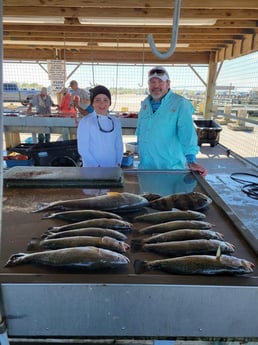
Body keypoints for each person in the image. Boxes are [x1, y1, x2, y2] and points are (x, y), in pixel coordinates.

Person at [136, 66, 207, 177]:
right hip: (145, 168)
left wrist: (191, 161)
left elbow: (187, 133)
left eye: (160, 82)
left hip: (169, 169)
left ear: (168, 83)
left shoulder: (180, 104)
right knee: (146, 194)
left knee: (168, 195)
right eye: (152, 82)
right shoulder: (145, 104)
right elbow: (140, 131)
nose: (155, 86)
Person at [77, 85, 123, 167]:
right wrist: (97, 167)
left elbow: (119, 145)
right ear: (92, 103)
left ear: (109, 103)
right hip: (92, 172)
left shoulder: (116, 122)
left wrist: (118, 162)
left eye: (105, 100)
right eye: (97, 100)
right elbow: (83, 150)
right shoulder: (85, 122)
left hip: (112, 170)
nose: (102, 103)